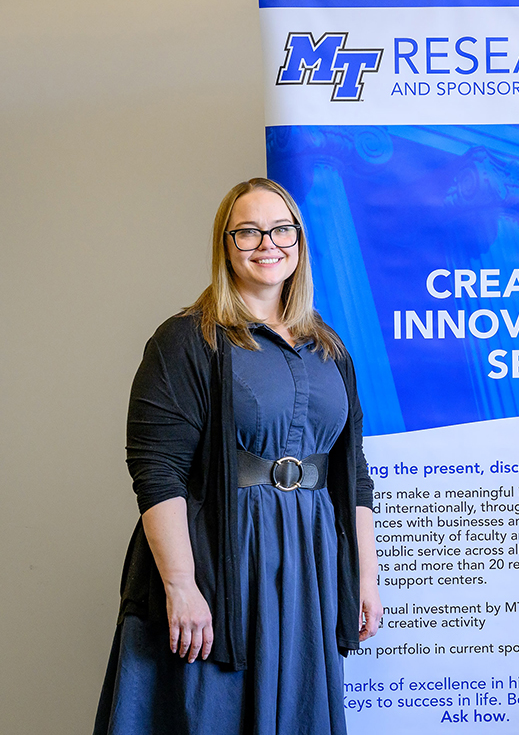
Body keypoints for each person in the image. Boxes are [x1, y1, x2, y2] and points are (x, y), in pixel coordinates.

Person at [94, 178, 382, 734]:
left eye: (281, 230)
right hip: (223, 560)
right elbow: (158, 471)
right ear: (225, 244)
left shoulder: (330, 348)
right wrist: (182, 586)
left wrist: (363, 577)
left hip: (310, 564)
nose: (266, 243)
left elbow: (355, 474)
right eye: (247, 231)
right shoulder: (185, 340)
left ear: (299, 242)